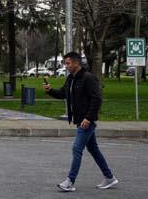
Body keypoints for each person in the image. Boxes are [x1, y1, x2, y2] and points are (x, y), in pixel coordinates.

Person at [43, 51, 118, 192]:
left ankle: (70, 181)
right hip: (79, 120)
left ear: (77, 63)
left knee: (77, 149)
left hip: (86, 121)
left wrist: (88, 118)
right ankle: (109, 177)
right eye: (65, 63)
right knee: (93, 150)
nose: (66, 66)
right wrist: (50, 90)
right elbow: (63, 93)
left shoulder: (88, 78)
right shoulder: (71, 78)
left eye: (68, 63)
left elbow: (97, 99)